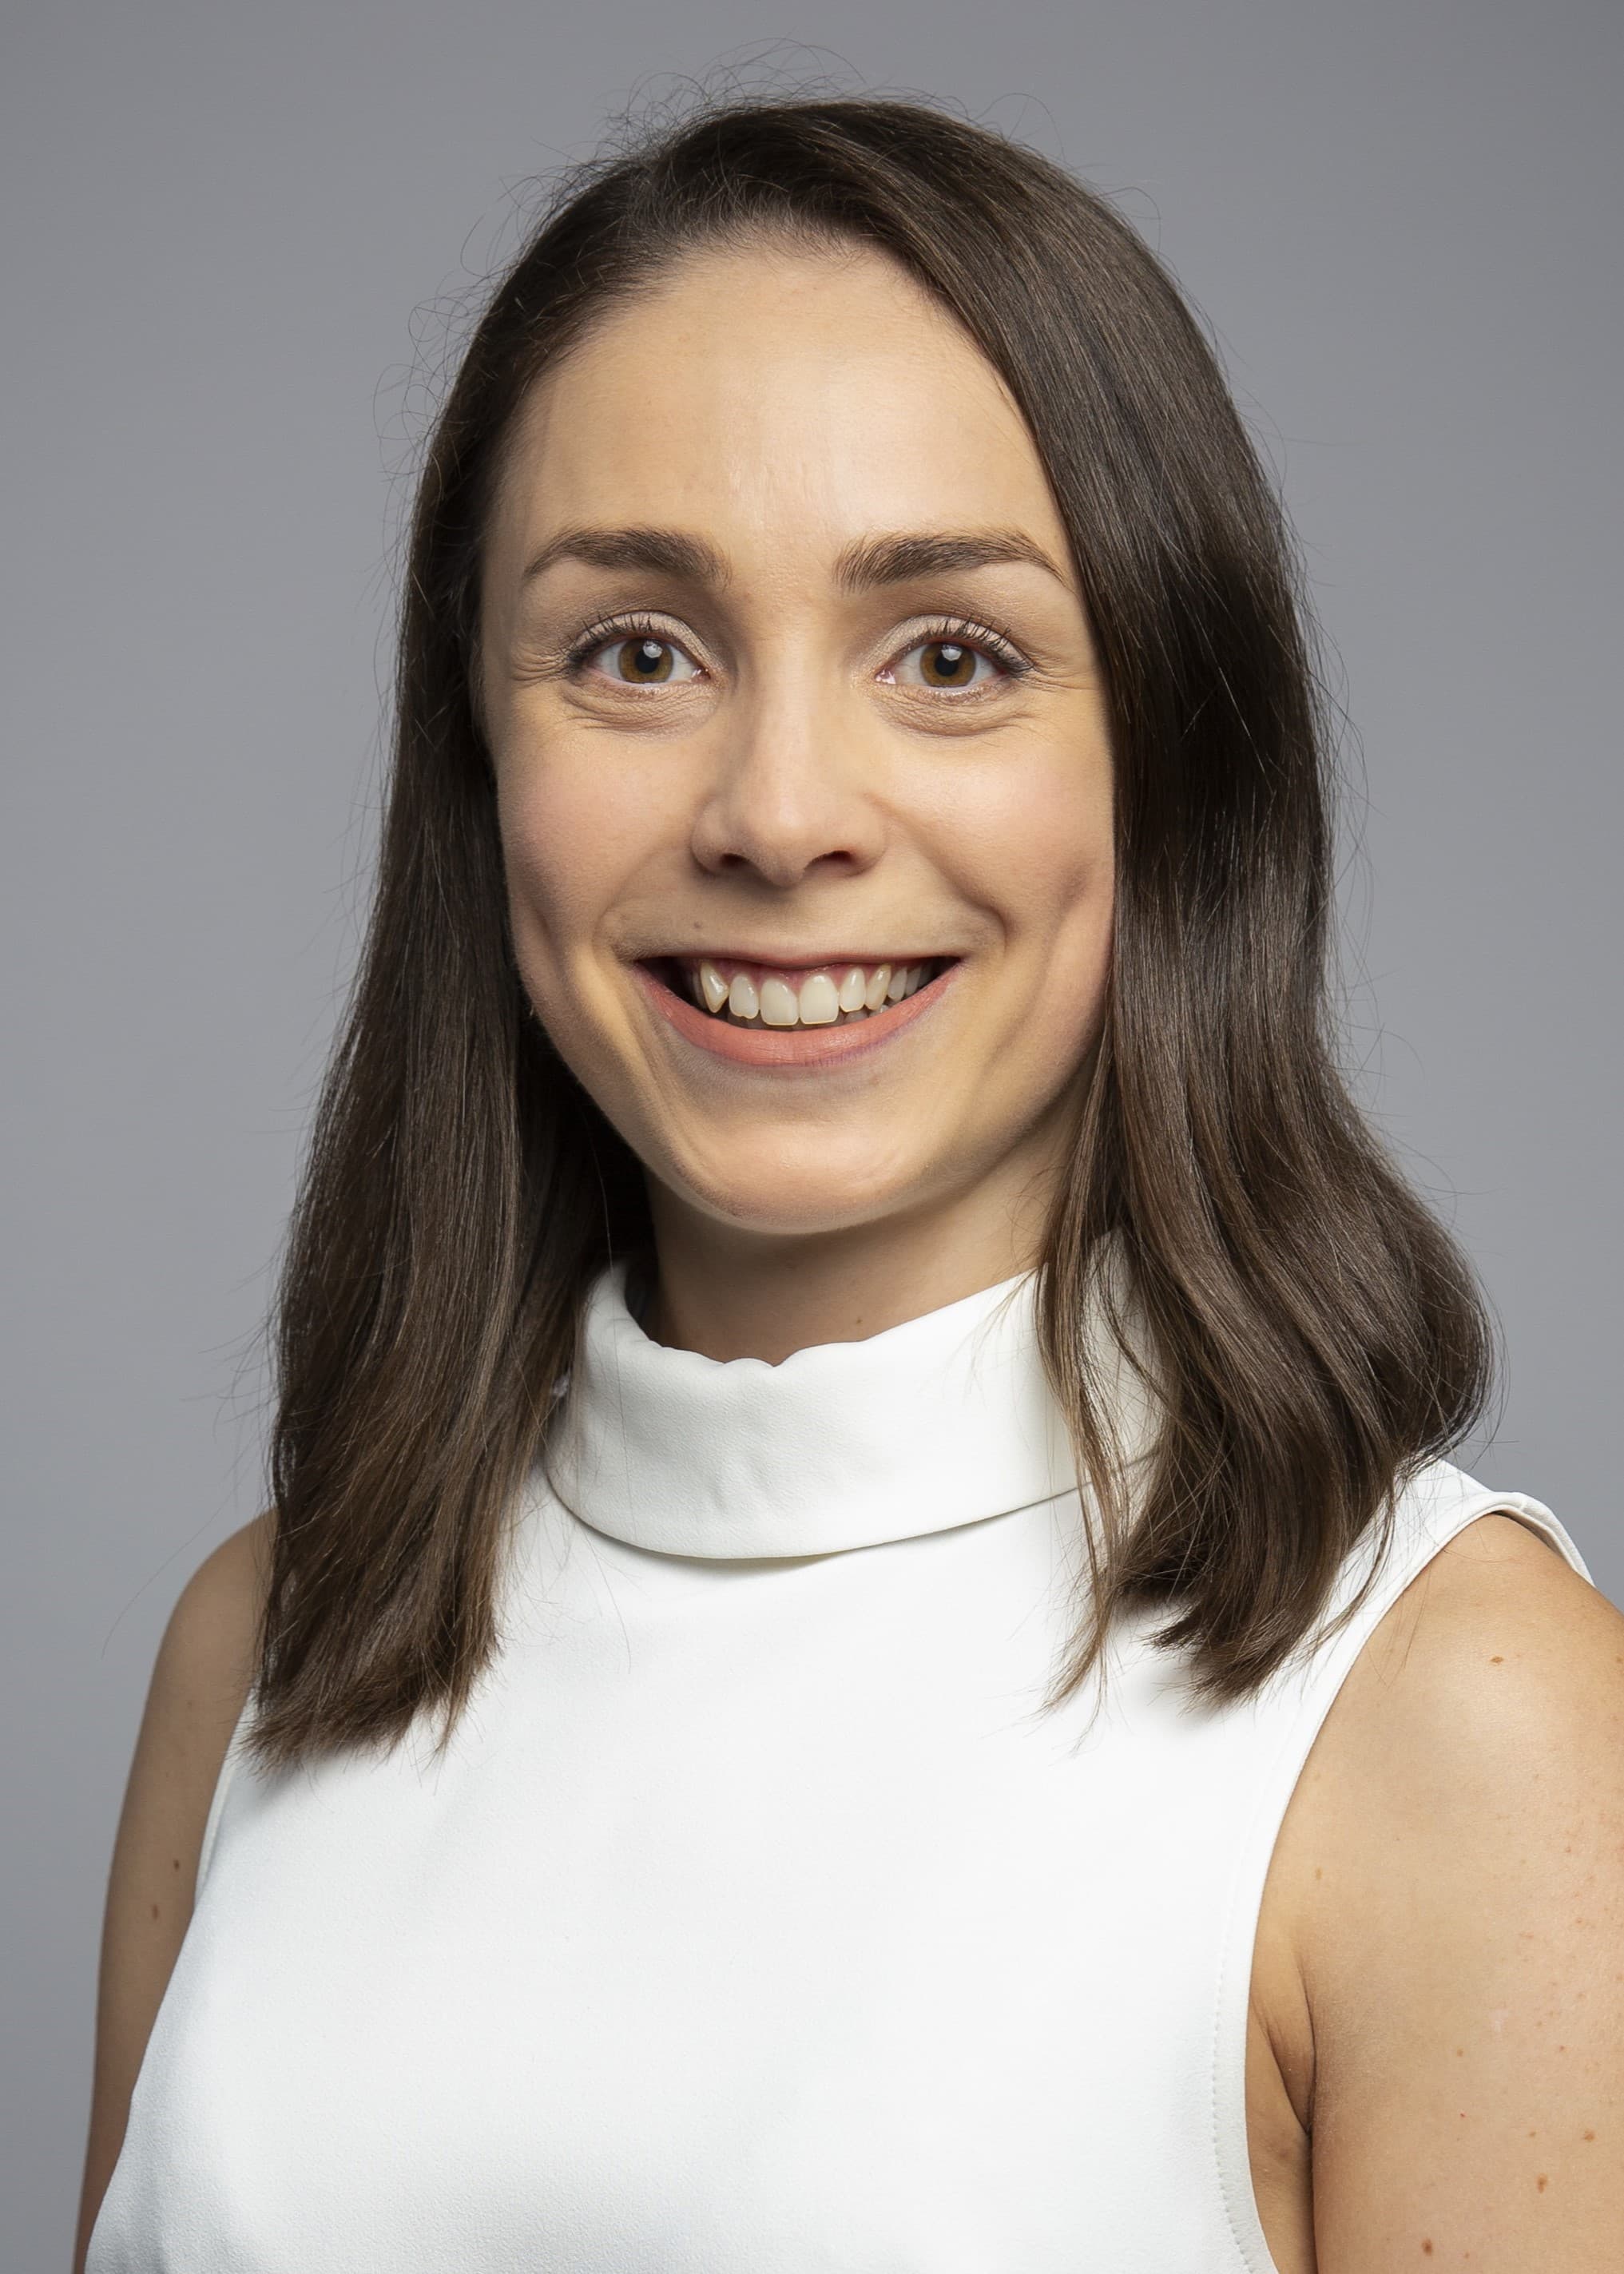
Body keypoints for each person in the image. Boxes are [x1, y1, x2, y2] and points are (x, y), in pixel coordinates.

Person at [77, 92, 1622, 2274]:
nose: (781, 811)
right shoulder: (266, 1645)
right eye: (635, 650)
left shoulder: (1464, 1724)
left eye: (951, 657)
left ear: (1173, 764)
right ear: (481, 763)